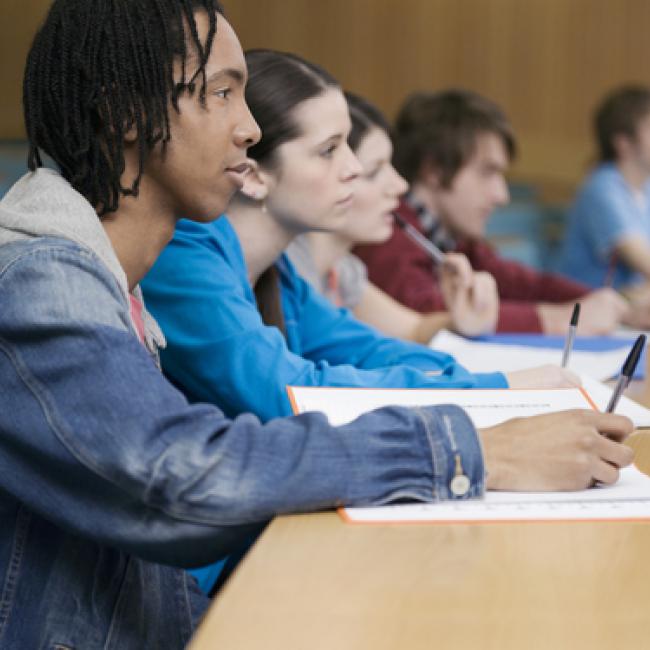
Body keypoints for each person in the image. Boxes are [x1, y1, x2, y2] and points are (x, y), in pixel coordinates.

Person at [0, 4, 634, 645]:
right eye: (222, 93)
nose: (249, 128)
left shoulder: (114, 278)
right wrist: (474, 448)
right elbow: (184, 475)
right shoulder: (44, 281)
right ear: (123, 112)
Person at [354, 89, 631, 335]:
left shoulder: (451, 236)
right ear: (434, 170)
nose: (502, 195)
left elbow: (523, 284)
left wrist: (615, 305)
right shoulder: (387, 230)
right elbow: (430, 314)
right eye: (488, 172)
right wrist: (561, 321)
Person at [287, 91, 499, 341]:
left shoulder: (343, 271)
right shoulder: (289, 272)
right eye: (374, 171)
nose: (400, 186)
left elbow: (413, 330)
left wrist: (460, 320)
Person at [559, 85, 650, 292]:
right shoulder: (601, 189)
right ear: (623, 143)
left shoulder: (646, 188)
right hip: (586, 314)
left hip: (626, 311)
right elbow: (644, 262)